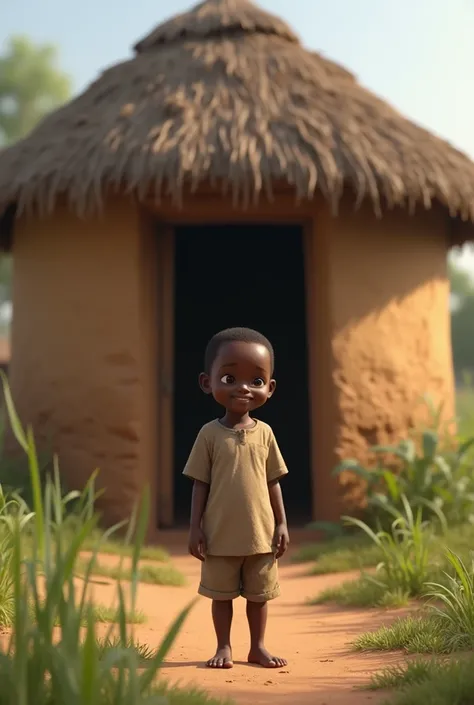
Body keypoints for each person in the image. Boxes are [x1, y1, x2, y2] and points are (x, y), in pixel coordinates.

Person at [183, 327, 290, 670]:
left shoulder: (266, 434)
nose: (243, 387)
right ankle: (224, 646)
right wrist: (194, 527)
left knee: (259, 597)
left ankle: (257, 646)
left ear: (270, 388)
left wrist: (282, 523)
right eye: (229, 377)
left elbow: (274, 480)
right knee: (222, 595)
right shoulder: (209, 434)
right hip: (219, 535)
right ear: (206, 382)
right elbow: (200, 483)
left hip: (261, 535)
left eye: (256, 381)